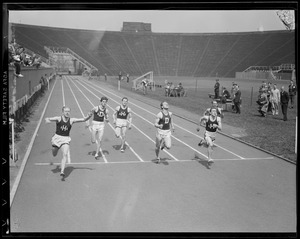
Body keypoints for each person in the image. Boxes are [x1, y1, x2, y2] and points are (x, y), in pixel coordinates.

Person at [45, 106, 91, 178]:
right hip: (57, 138)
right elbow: (48, 118)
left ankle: (62, 171)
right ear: (63, 112)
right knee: (54, 154)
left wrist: (88, 116)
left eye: (68, 111)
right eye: (66, 111)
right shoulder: (58, 118)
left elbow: (83, 119)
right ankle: (54, 148)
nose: (67, 113)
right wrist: (47, 120)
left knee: (65, 154)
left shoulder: (71, 120)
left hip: (65, 139)